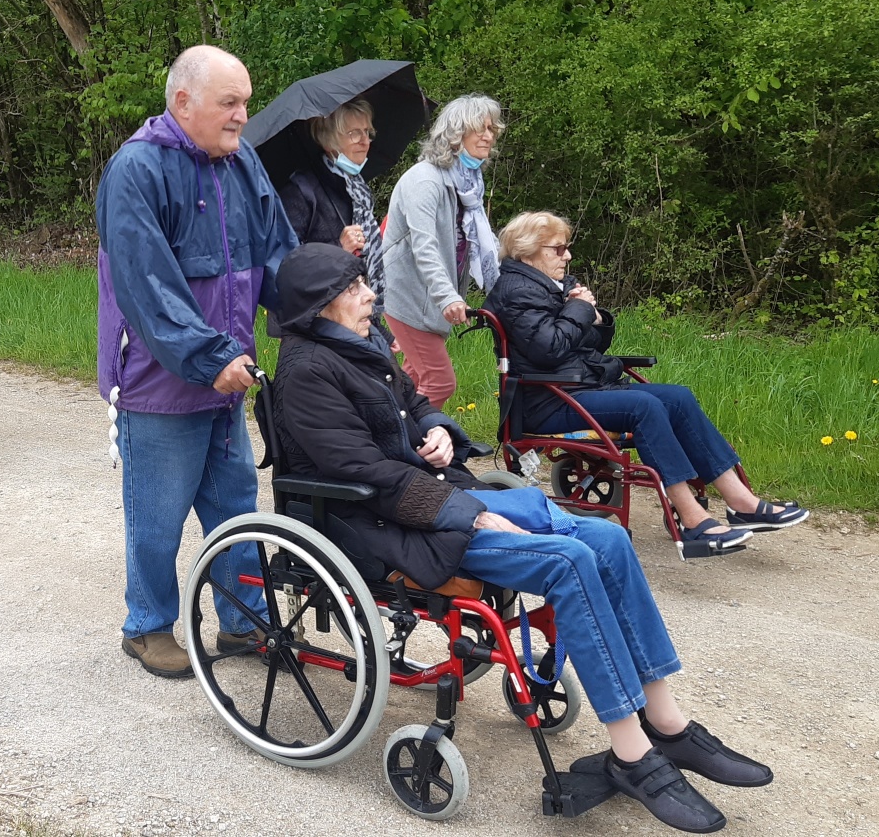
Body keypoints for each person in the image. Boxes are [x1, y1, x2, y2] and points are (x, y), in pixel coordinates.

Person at [273, 242, 772, 834]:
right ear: (321, 306)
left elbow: (415, 403)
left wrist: (436, 430)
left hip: (430, 496)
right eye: (356, 288)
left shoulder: (361, 344)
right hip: (382, 523)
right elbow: (362, 474)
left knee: (608, 542)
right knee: (567, 561)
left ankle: (667, 722)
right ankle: (632, 755)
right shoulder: (308, 372)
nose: (370, 294)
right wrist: (470, 514)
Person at [97, 44, 298, 678]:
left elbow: (278, 257)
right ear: (183, 102)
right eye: (229, 103)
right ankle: (148, 626)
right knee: (156, 517)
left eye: (245, 102)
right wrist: (210, 356)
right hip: (163, 381)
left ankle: (242, 623)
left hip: (227, 380)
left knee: (236, 509)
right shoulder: (136, 171)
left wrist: (330, 312)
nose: (243, 115)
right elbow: (148, 286)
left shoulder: (243, 164)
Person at [483, 211, 809, 548]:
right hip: (546, 400)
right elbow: (548, 350)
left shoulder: (552, 286)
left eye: (566, 247)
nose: (567, 255)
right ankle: (692, 521)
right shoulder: (517, 291)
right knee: (643, 405)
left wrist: (592, 318)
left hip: (579, 387)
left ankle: (741, 502)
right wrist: (579, 310)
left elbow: (588, 343)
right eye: (558, 249)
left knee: (678, 397)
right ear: (527, 251)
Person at [381, 93, 505, 410]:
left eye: (492, 128)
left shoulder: (466, 185)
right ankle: (411, 443)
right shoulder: (425, 180)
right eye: (481, 128)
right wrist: (447, 296)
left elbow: (482, 243)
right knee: (439, 381)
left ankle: (386, 437)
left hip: (427, 303)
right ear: (455, 133)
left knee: (413, 383)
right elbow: (426, 245)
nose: (489, 135)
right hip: (407, 297)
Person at [278, 100, 386, 298]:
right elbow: (287, 261)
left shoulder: (357, 188)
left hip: (358, 302)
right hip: (317, 313)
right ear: (328, 141)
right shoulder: (300, 190)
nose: (365, 141)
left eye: (367, 132)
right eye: (354, 133)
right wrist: (339, 247)